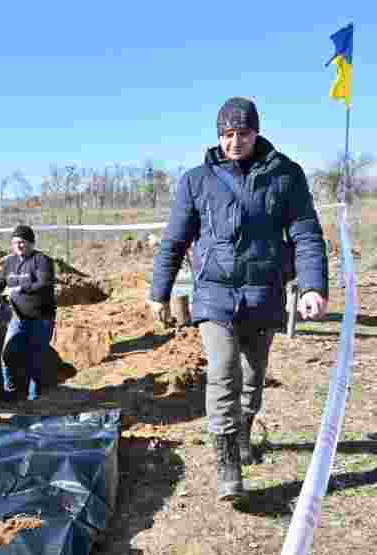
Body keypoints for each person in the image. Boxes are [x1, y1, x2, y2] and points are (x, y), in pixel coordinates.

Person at [148, 97, 329, 502]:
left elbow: (306, 234)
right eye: (226, 134)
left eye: (242, 133)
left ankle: (245, 430)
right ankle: (227, 462)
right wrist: (159, 292)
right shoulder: (195, 180)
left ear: (256, 132)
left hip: (263, 292)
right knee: (223, 371)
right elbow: (174, 241)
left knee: (252, 376)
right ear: (217, 136)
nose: (234, 142)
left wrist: (314, 285)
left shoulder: (287, 175)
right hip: (214, 292)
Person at [0, 224, 56, 401]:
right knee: (8, 353)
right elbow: (1, 281)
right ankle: (10, 389)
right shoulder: (9, 261)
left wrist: (21, 289)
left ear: (31, 243)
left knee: (35, 356)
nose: (18, 246)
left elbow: (44, 284)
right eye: (15, 242)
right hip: (18, 316)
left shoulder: (42, 260)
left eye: (22, 242)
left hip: (41, 317)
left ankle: (33, 396)